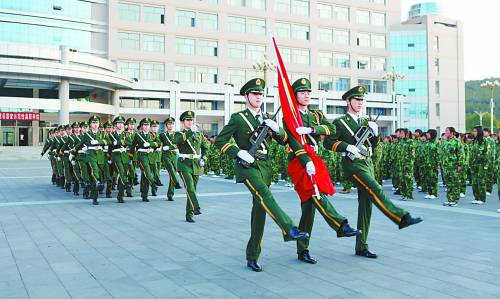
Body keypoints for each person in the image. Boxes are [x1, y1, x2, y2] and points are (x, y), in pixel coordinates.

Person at [214, 78, 309, 272]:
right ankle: (289, 228)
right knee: (266, 196)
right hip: (247, 167)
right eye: (255, 94)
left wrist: (276, 128)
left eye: (261, 94)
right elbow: (221, 140)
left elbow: (284, 140)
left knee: (259, 213)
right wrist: (238, 152)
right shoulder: (238, 118)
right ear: (246, 96)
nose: (258, 97)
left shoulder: (266, 117)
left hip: (265, 167)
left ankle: (252, 256)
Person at [324, 85, 422, 259]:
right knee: (376, 189)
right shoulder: (340, 122)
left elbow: (375, 145)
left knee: (366, 206)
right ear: (348, 101)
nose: (360, 103)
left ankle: (361, 246)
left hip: (368, 163)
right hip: (353, 164)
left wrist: (375, 135)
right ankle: (400, 217)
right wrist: (347, 147)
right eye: (357, 99)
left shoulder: (365, 121)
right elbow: (328, 143)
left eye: (362, 99)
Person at [283, 78, 360, 264]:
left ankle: (302, 249)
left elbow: (331, 128)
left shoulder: (315, 114)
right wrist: (305, 160)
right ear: (295, 96)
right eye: (302, 92)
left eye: (308, 92)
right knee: (316, 194)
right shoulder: (290, 116)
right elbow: (292, 141)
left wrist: (311, 129)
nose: (307, 95)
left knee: (309, 208)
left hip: (315, 158)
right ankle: (340, 224)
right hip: (299, 160)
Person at [174, 111, 209, 223]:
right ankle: (196, 207)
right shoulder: (179, 134)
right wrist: (190, 133)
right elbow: (178, 141)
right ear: (183, 122)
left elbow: (205, 147)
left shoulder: (199, 134)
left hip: (196, 165)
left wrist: (204, 157)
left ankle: (189, 214)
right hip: (184, 164)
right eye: (187, 120)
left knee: (192, 190)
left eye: (191, 120)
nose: (190, 122)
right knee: (190, 187)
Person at [74, 116, 105, 205]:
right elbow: (78, 145)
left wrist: (99, 142)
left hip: (100, 157)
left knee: (96, 177)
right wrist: (72, 155)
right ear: (90, 124)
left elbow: (108, 141)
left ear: (99, 124)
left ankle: (92, 194)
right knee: (92, 176)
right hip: (89, 157)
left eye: (97, 123)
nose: (95, 125)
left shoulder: (102, 133)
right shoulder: (86, 135)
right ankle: (92, 197)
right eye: (93, 123)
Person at [131, 118, 160, 202]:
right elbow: (133, 146)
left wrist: (150, 144)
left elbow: (158, 143)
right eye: (145, 125)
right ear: (142, 126)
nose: (146, 127)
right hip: (142, 156)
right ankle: (153, 183)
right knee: (147, 171)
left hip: (151, 156)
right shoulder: (138, 135)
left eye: (148, 125)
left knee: (145, 176)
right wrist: (131, 158)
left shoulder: (153, 135)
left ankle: (144, 195)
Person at [159, 117, 182, 201]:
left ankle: (170, 194)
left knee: (173, 173)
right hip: (166, 155)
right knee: (171, 169)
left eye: (172, 124)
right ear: (166, 125)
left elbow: (179, 144)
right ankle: (177, 183)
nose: (171, 125)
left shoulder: (177, 134)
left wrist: (169, 146)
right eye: (169, 124)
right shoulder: (162, 135)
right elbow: (157, 143)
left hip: (174, 154)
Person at [441, 127, 465, 207]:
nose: (445, 132)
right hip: (446, 166)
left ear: (452, 133)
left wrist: (460, 165)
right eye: (445, 131)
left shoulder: (457, 142)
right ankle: (449, 199)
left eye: (447, 131)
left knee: (455, 183)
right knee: (448, 184)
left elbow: (461, 154)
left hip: (454, 166)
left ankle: (455, 200)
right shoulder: (445, 142)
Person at [469, 126, 490, 204]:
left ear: (479, 132)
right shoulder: (474, 141)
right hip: (474, 165)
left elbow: (487, 154)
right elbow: (471, 153)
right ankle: (476, 197)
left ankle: (482, 198)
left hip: (481, 165)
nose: (473, 133)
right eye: (473, 131)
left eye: (475, 131)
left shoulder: (484, 141)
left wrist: (485, 165)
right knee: (474, 182)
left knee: (481, 181)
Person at [424, 129, 440, 199]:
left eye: (428, 134)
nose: (427, 135)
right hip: (427, 164)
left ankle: (434, 193)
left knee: (433, 179)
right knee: (428, 179)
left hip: (433, 165)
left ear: (432, 135)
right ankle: (430, 192)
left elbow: (439, 154)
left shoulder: (437, 143)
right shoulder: (427, 143)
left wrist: (437, 164)